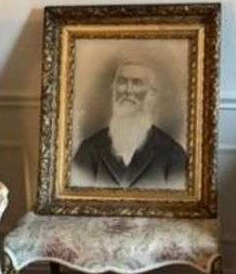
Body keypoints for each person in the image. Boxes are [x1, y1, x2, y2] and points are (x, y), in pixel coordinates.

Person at [70, 61, 187, 189]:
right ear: (114, 89)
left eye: (137, 83)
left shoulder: (173, 155)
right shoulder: (89, 150)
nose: (128, 90)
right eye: (122, 82)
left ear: (151, 95)